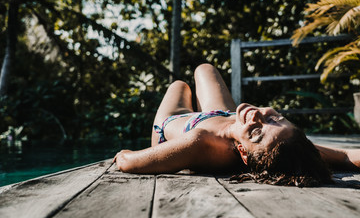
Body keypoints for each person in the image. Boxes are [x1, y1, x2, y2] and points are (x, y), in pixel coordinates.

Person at [113, 63, 360, 187]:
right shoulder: (287, 145)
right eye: (274, 118)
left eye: (255, 132)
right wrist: (250, 128)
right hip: (226, 116)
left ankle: (181, 89)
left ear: (242, 151)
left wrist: (122, 155)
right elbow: (348, 155)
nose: (257, 116)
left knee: (179, 85)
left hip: (176, 123)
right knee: (204, 68)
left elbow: (129, 162)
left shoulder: (198, 143)